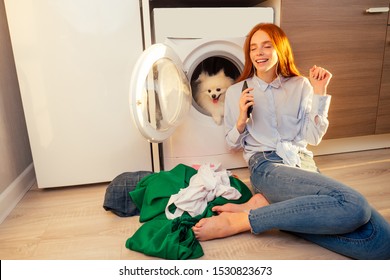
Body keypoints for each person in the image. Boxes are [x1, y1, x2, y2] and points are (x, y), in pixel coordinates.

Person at [192, 23, 390, 260]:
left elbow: (313, 138)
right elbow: (231, 144)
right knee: (355, 205)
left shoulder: (301, 85)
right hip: (266, 166)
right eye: (254, 48)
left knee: (381, 243)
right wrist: (241, 120)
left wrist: (320, 92)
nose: (259, 53)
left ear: (281, 49)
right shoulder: (237, 91)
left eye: (267, 46)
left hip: (302, 163)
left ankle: (264, 207)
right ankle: (244, 220)